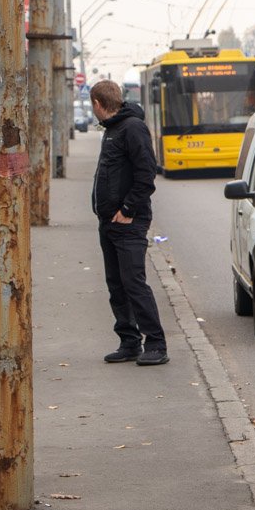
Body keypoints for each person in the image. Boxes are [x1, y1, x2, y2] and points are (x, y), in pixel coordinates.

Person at [89, 79, 169, 366]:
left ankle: (156, 344)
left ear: (98, 104)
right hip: (108, 221)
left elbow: (146, 173)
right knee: (117, 284)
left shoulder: (131, 128)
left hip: (128, 222)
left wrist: (127, 209)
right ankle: (129, 341)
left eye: (93, 105)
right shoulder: (112, 130)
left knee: (134, 283)